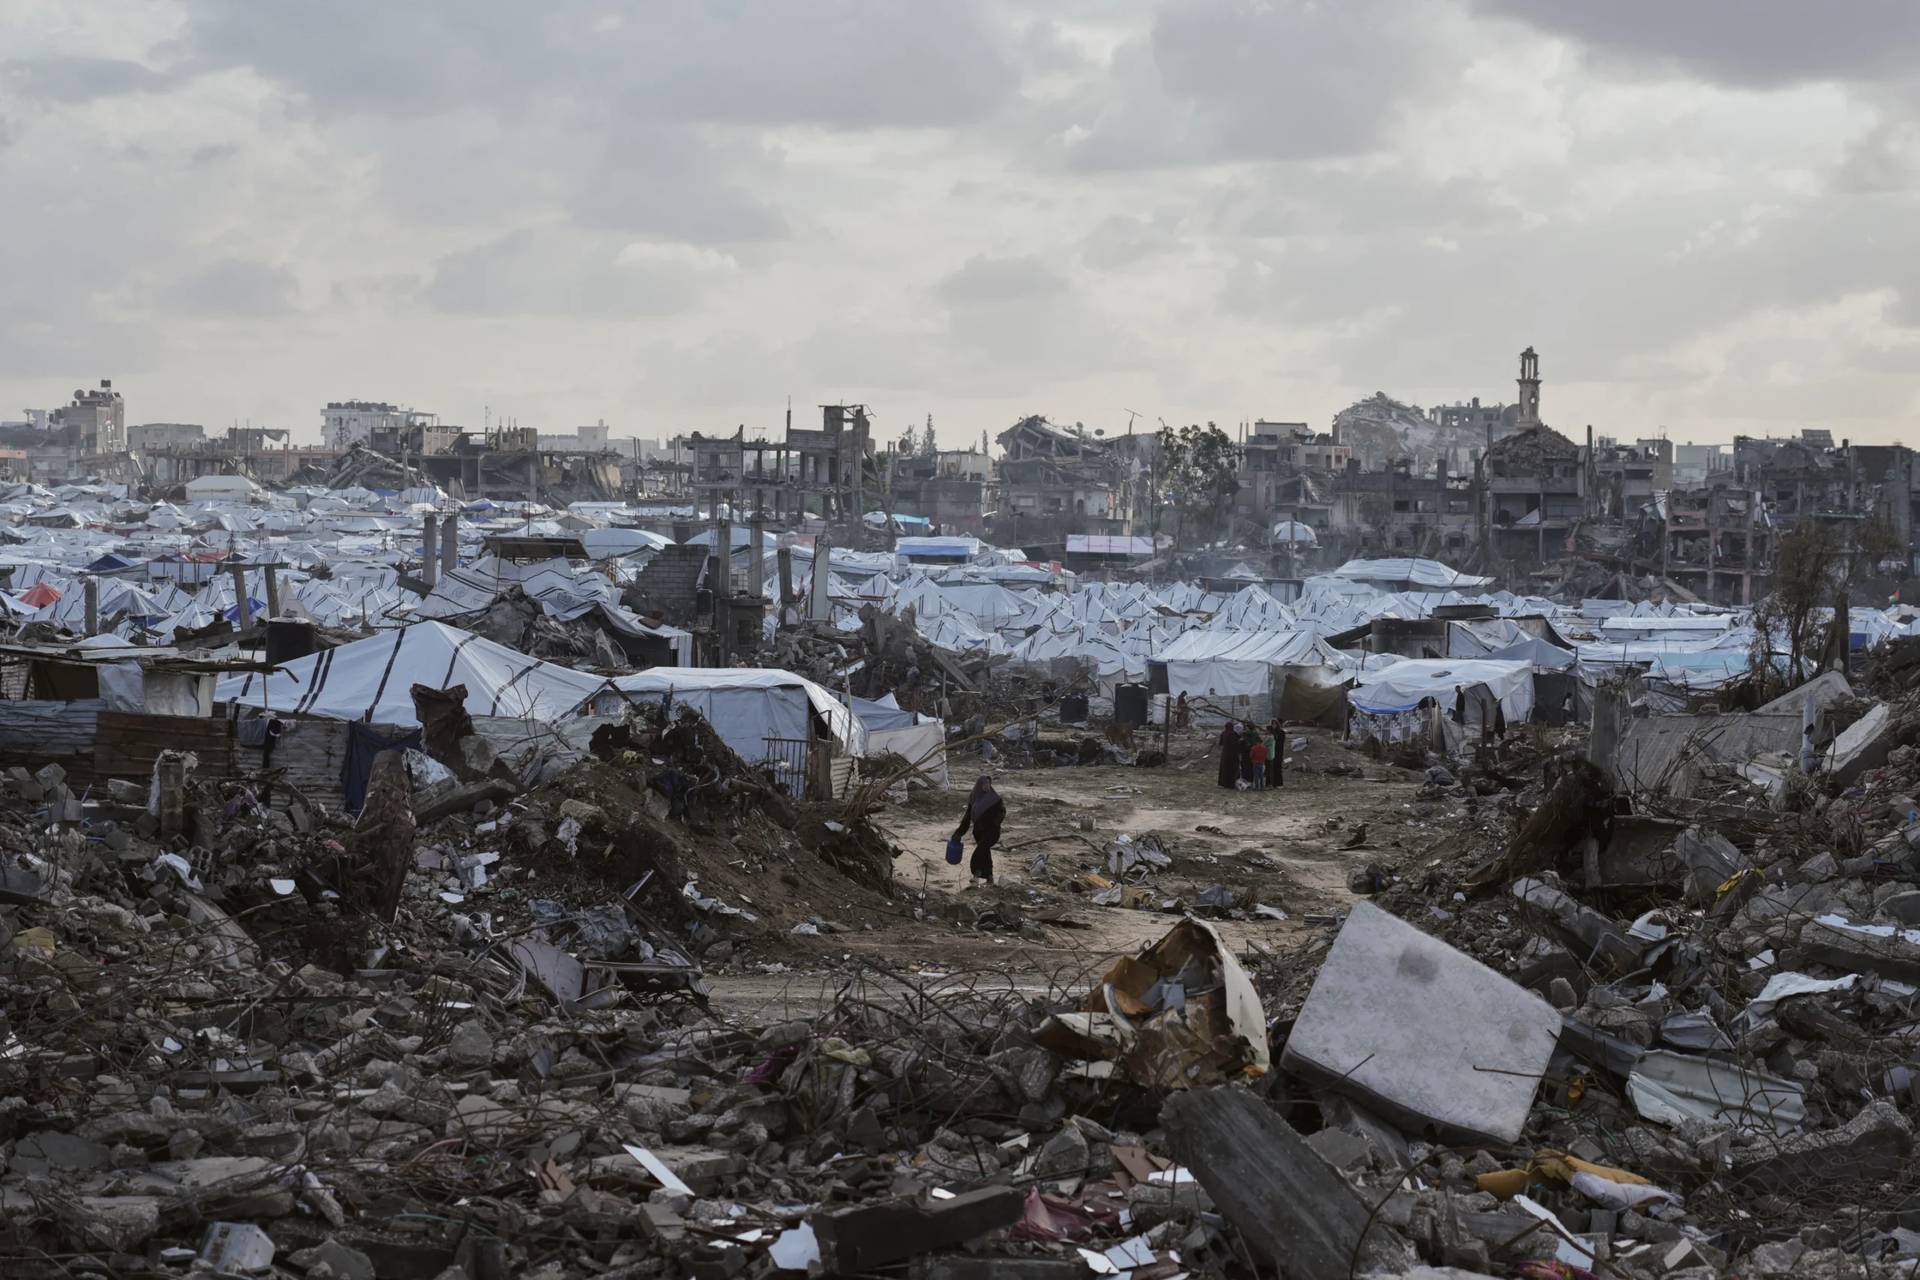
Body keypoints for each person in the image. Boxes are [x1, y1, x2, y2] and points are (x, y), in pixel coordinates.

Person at [953, 776, 1006, 887]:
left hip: (992, 832)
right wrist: (958, 833)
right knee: (985, 853)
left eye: (988, 784)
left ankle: (976, 876)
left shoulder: (995, 798)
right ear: (979, 785)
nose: (987, 786)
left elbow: (1002, 812)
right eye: (984, 784)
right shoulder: (974, 798)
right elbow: (967, 818)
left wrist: (994, 822)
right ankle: (990, 878)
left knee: (979, 852)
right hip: (979, 832)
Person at [1217, 721, 1242, 790]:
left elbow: (1220, 743)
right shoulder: (1233, 734)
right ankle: (1231, 784)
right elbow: (1236, 744)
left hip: (1225, 754)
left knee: (1224, 769)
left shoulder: (1223, 733)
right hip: (1232, 754)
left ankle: (1223, 783)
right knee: (1232, 769)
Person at [1265, 719, 1284, 788]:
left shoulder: (1281, 732)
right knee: (1271, 769)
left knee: (1278, 768)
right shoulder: (1271, 734)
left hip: (1278, 752)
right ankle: (1272, 783)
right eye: (1272, 724)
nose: (1274, 725)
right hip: (1271, 753)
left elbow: (1280, 743)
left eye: (1275, 724)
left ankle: (1279, 783)